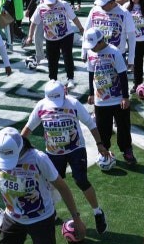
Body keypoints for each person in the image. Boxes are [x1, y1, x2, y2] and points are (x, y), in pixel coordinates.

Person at [21, 80, 109, 234]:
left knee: (81, 180)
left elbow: (91, 124)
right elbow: (28, 128)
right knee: (51, 182)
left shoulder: (73, 104)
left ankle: (97, 212)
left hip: (76, 149)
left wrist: (100, 144)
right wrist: (19, 149)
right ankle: (51, 212)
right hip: (54, 153)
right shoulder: (41, 107)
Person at [83, 27, 136, 164]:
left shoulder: (114, 52)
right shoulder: (91, 53)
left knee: (123, 127)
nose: (91, 48)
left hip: (118, 98)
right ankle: (104, 151)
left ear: (101, 42)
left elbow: (122, 74)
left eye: (93, 45)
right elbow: (91, 72)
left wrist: (125, 97)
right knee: (102, 129)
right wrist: (91, 93)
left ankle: (127, 151)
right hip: (100, 100)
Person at [26, 0, 84, 89]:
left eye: (52, 2)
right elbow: (34, 23)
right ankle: (53, 80)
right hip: (50, 38)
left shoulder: (64, 5)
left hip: (66, 35)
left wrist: (81, 28)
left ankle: (70, 78)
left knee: (67, 56)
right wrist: (30, 36)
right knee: (52, 60)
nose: (50, 5)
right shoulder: (41, 8)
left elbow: (73, 17)